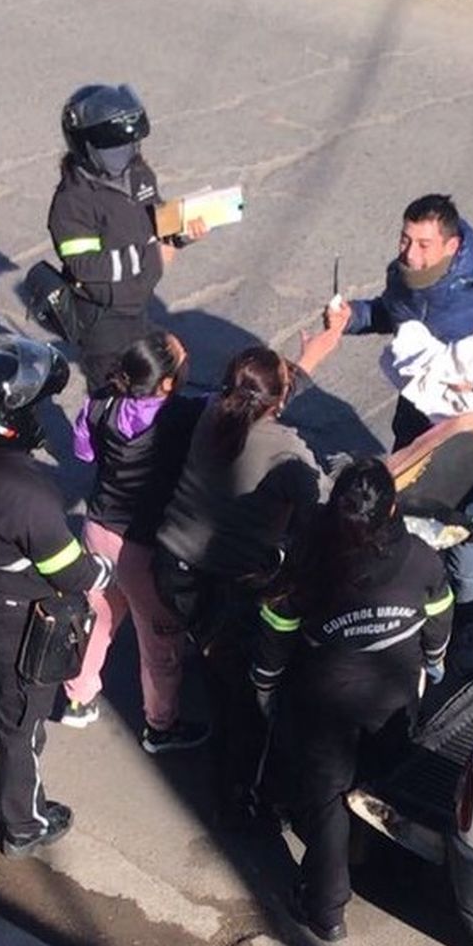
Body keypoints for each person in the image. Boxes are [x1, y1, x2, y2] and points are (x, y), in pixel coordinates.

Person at [327, 194, 473, 676]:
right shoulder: (401, 276)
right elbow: (388, 312)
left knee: (464, 537)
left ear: (452, 245)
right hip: (414, 430)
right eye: (405, 240)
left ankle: (465, 626)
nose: (410, 254)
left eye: (423, 245)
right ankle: (412, 613)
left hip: (470, 444)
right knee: (405, 522)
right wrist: (353, 317)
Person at [252, 459, 454, 941]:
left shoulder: (312, 561)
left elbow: (276, 627)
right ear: (392, 509)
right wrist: (435, 660)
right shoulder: (422, 559)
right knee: (387, 787)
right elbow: (440, 615)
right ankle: (390, 874)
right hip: (394, 699)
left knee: (327, 804)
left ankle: (326, 909)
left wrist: (265, 683)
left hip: (326, 705)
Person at [0, 335, 113, 858]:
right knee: (20, 722)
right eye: (32, 406)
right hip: (17, 624)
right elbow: (72, 572)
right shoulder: (28, 494)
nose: (39, 413)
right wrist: (107, 570)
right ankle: (22, 825)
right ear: (5, 422)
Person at [153, 326, 342, 800]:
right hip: (227, 585)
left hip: (170, 565)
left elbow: (257, 396)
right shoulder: (287, 451)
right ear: (279, 401)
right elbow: (322, 510)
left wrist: (308, 358)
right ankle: (235, 793)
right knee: (241, 699)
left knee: (211, 654)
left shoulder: (212, 412)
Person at [59, 330, 209, 754]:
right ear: (165, 382)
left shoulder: (99, 402)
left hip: (97, 528)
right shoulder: (182, 415)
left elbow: (83, 454)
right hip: (140, 548)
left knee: (96, 618)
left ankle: (77, 697)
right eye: (182, 358)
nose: (187, 358)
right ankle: (161, 725)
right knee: (159, 638)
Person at [48, 83, 203, 392]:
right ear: (87, 146)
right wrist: (149, 254)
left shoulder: (138, 174)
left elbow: (156, 222)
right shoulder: (72, 202)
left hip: (137, 307)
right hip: (103, 321)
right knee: (112, 398)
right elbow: (86, 267)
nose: (127, 153)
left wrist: (180, 234)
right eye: (115, 147)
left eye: (130, 144)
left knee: (160, 388)